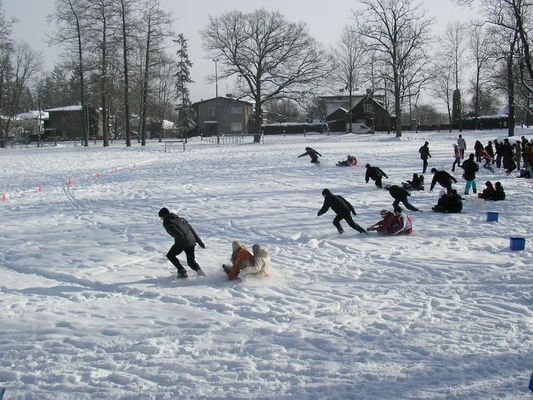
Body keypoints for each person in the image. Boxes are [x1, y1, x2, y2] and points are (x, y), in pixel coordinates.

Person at [159, 207, 205, 279]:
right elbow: (191, 230)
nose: (161, 219)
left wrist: (179, 236)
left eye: (161, 217)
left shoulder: (167, 222)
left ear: (164, 215)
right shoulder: (181, 219)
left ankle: (182, 271)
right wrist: (199, 242)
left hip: (182, 241)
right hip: (191, 240)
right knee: (191, 262)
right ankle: (200, 273)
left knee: (170, 255)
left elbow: (176, 233)